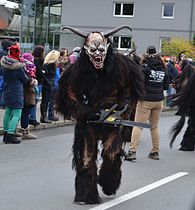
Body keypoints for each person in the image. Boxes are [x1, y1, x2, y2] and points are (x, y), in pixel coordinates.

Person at [56, 26, 144, 204]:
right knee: (86, 158)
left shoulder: (123, 67)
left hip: (113, 119)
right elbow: (68, 95)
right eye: (93, 50)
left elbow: (130, 91)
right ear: (86, 51)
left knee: (112, 154)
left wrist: (123, 109)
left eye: (101, 49)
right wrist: (82, 110)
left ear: (107, 48)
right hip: (89, 120)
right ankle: (86, 194)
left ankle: (109, 180)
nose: (97, 54)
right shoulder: (76, 72)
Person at [125, 46, 169, 161]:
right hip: (159, 101)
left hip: (145, 100)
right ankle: (155, 152)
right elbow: (165, 86)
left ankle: (132, 151)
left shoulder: (144, 69)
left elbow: (138, 84)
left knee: (138, 126)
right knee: (154, 127)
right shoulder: (163, 70)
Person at [0, 44, 32, 144]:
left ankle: (5, 134)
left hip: (6, 89)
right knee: (17, 112)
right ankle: (10, 134)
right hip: (16, 91)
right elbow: (26, 80)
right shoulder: (18, 67)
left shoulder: (3, 65)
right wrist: (32, 80)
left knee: (8, 111)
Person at [20, 52, 38, 139]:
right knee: (26, 112)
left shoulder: (22, 66)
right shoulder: (27, 68)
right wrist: (34, 82)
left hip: (24, 92)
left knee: (23, 112)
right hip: (28, 92)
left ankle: (17, 130)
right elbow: (27, 81)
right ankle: (25, 131)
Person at [41, 50, 60, 122]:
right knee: (46, 101)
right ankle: (44, 116)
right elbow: (47, 75)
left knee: (51, 101)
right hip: (49, 85)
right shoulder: (49, 65)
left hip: (51, 84)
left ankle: (47, 115)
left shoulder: (49, 65)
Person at [29, 45, 45, 126]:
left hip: (38, 82)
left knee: (34, 100)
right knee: (34, 101)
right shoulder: (36, 61)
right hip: (37, 82)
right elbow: (39, 71)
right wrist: (43, 72)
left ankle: (32, 117)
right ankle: (32, 118)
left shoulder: (38, 60)